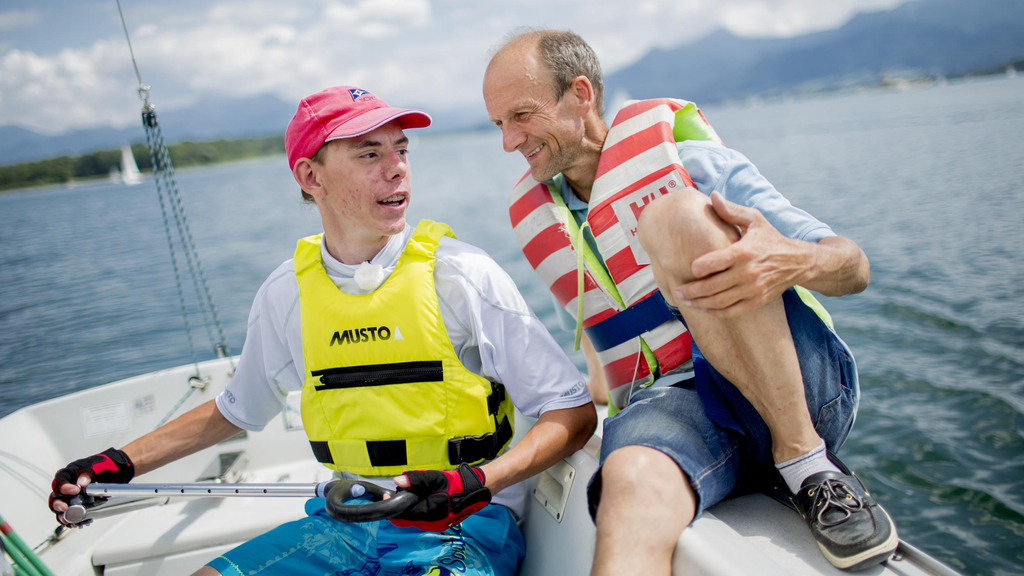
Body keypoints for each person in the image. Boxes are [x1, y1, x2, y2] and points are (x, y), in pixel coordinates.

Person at [47, 86, 597, 576]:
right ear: (311, 177)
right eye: (369, 154)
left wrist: (479, 482)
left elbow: (572, 412)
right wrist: (117, 463)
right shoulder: (285, 293)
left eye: (401, 150)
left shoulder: (463, 275)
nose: (397, 168)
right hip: (340, 527)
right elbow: (234, 410)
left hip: (460, 529)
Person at [483, 29, 898, 573]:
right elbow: (601, 343)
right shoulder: (543, 222)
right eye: (499, 125)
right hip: (678, 408)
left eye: (522, 115)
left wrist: (791, 260)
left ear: (580, 94)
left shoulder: (689, 160)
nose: (509, 141)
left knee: (675, 215)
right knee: (626, 482)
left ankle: (809, 465)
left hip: (797, 387)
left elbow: (854, 266)